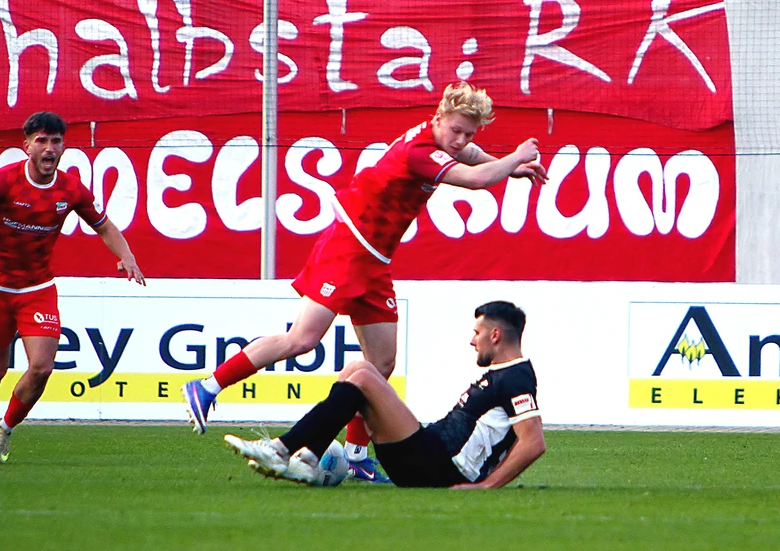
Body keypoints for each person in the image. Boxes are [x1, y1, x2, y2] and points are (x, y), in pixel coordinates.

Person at [181, 82, 548, 482]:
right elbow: (476, 180)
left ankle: (355, 453)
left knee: (382, 363)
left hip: (374, 260)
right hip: (348, 246)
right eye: (456, 130)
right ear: (438, 119)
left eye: (468, 134)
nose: (461, 141)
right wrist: (516, 157)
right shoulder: (419, 151)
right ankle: (208, 385)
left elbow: (473, 157)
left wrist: (507, 165)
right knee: (302, 339)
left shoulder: (442, 141)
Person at [0, 111, 146, 464]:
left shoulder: (70, 188)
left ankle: (5, 431)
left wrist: (127, 256)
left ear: (63, 146)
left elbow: (103, 226)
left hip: (37, 289)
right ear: (26, 146)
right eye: (41, 140)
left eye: (55, 141)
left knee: (41, 367)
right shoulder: (2, 181)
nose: (49, 148)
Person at [224, 300, 546, 488]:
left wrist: (488, 485)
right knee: (356, 370)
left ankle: (284, 448)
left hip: (437, 466)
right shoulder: (504, 375)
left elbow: (533, 442)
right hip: (426, 455)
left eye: (476, 333)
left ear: (496, 335)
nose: (472, 341)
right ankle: (306, 456)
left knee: (364, 374)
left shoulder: (516, 377)